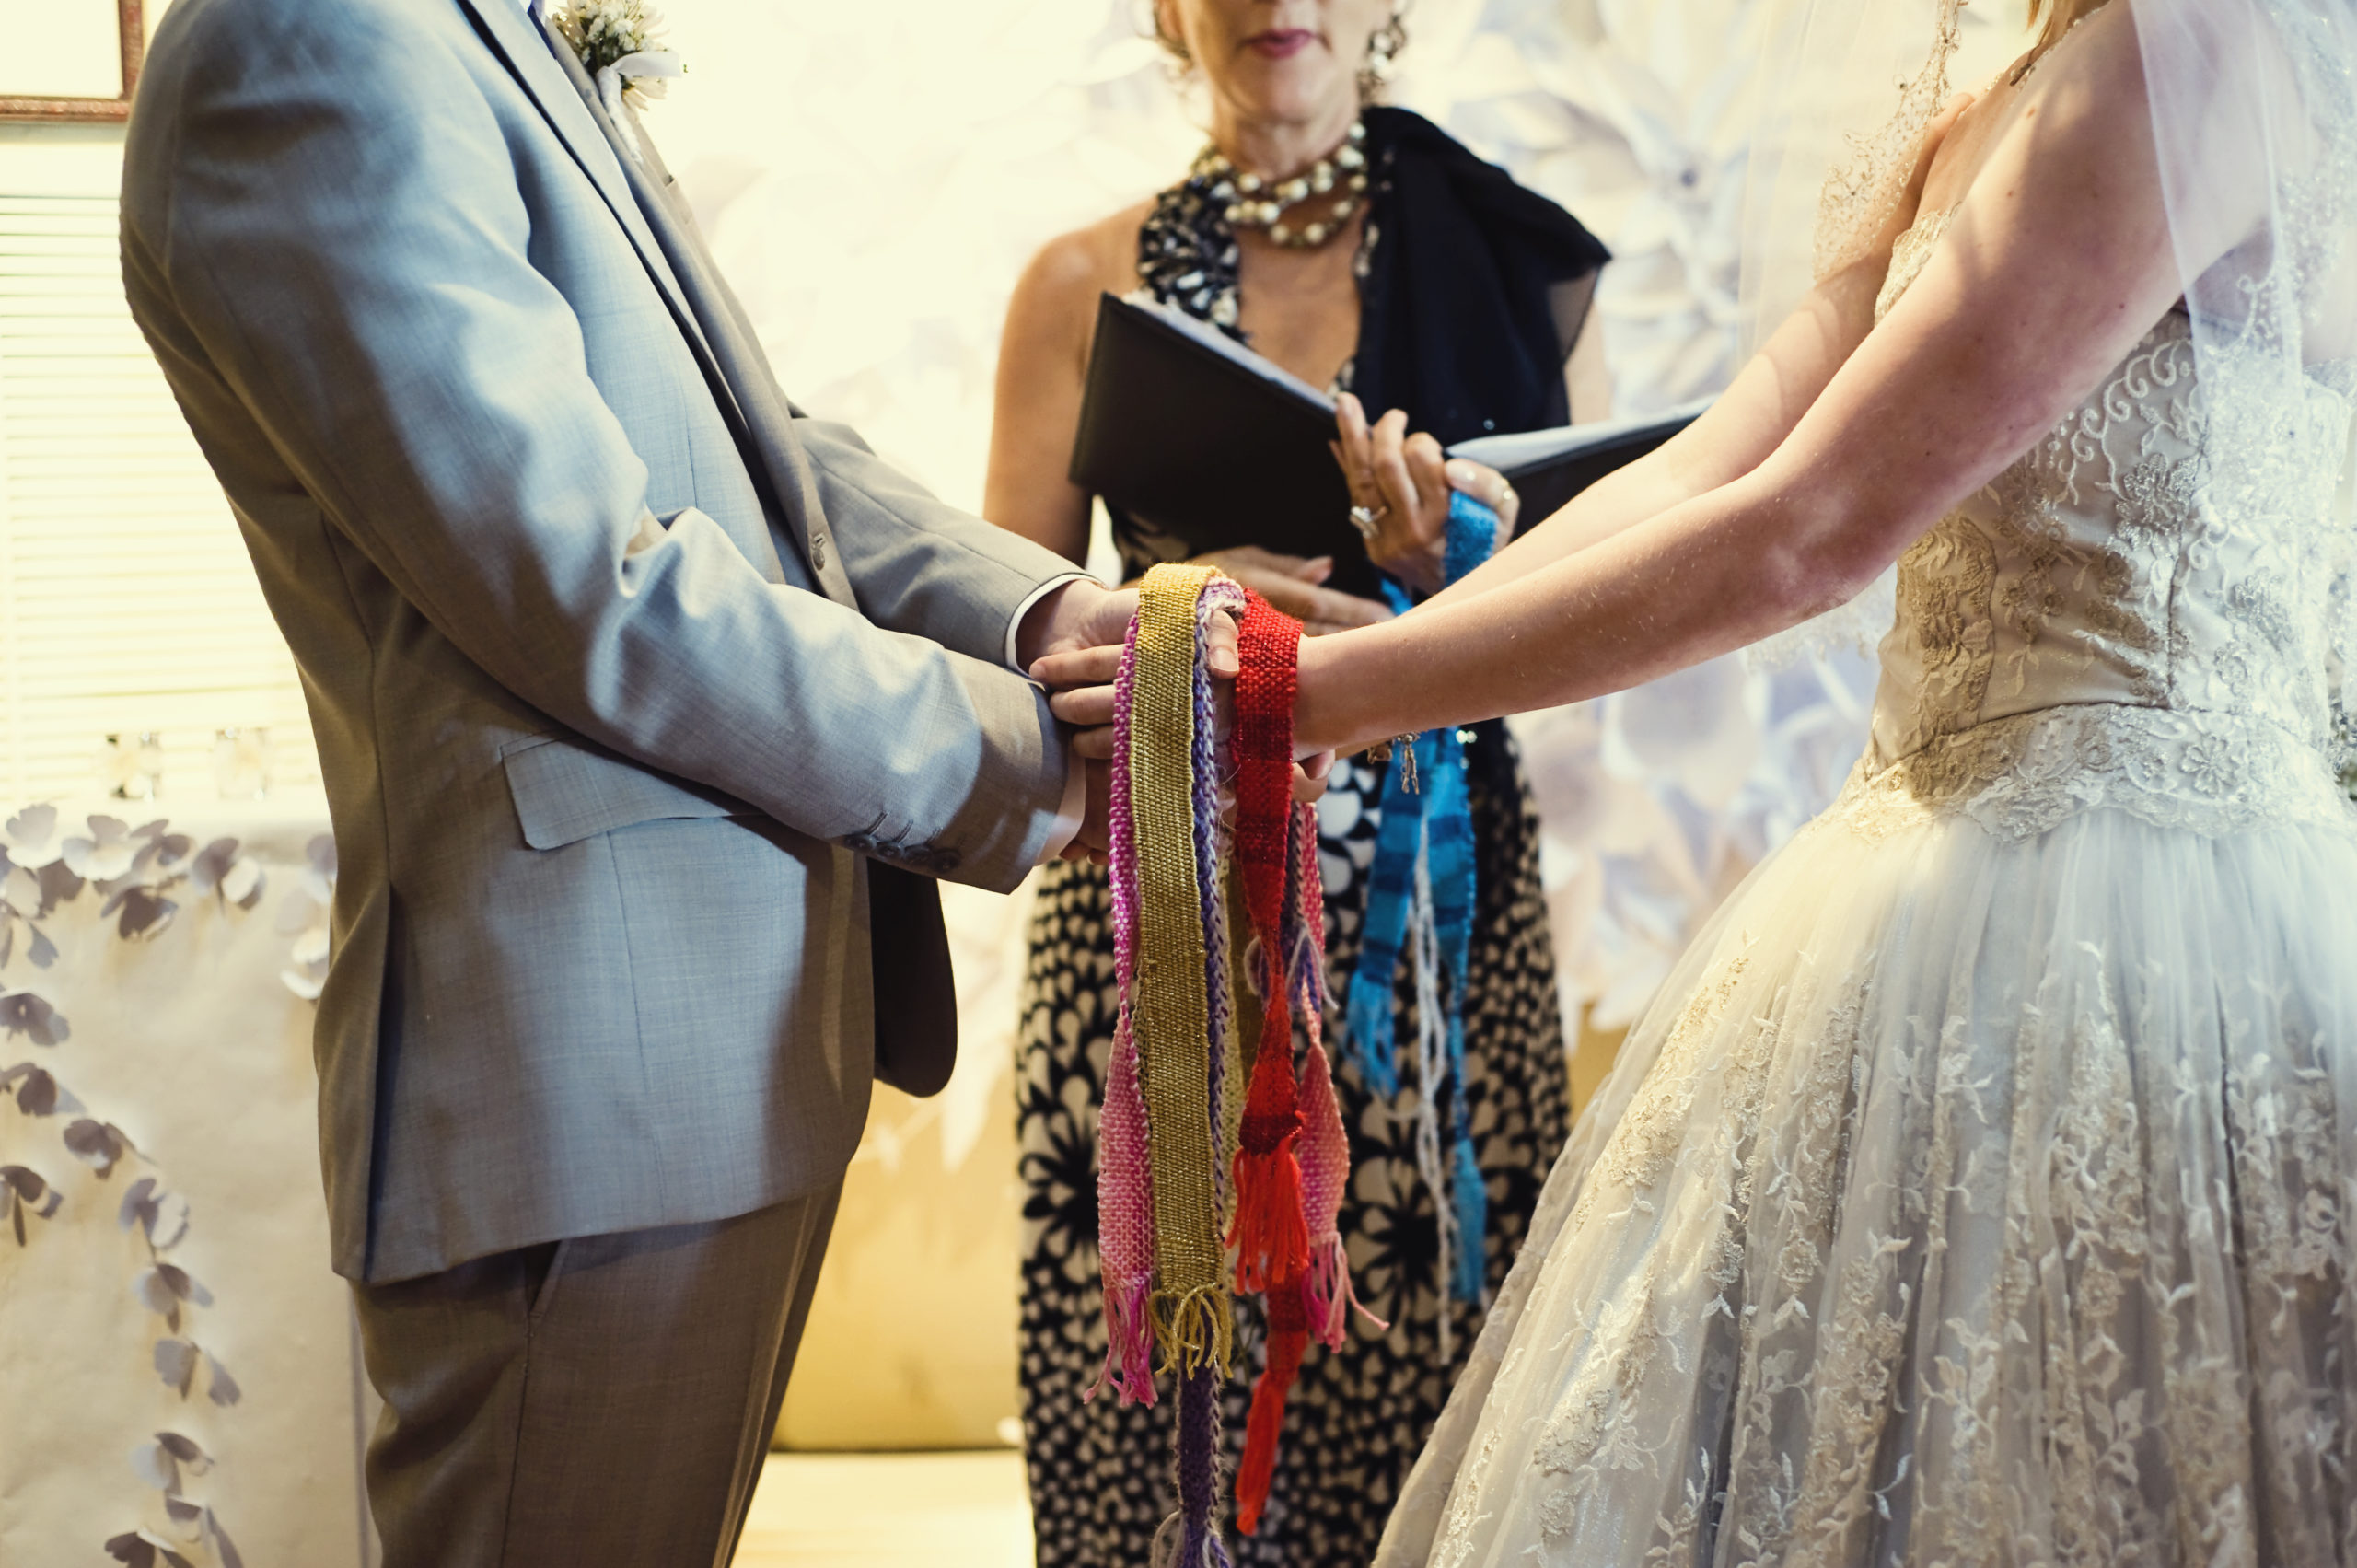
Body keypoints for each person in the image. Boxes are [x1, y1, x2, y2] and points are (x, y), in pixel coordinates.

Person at [1039, 0, 2357, 1557]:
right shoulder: (1976, 100)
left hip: (2147, 928)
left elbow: (1809, 530)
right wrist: (1360, 673)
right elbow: (1712, 467)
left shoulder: (2184, 49)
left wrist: (1320, 695)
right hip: (1921, 878)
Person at [118, 0, 1153, 1562]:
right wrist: (1018, 757)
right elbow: (587, 583)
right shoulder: (307, 37)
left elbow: (765, 454)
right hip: (584, 1071)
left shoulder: (486, 34)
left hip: (713, 1052)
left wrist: (1040, 613)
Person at [987, 1, 1608, 1560]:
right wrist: (1169, 609)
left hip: (1436, 942)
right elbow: (994, 657)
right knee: (1161, 1396)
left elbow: (1595, 625)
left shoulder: (1527, 262)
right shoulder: (1077, 285)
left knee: (1431, 1374)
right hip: (1157, 927)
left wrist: (1447, 577)